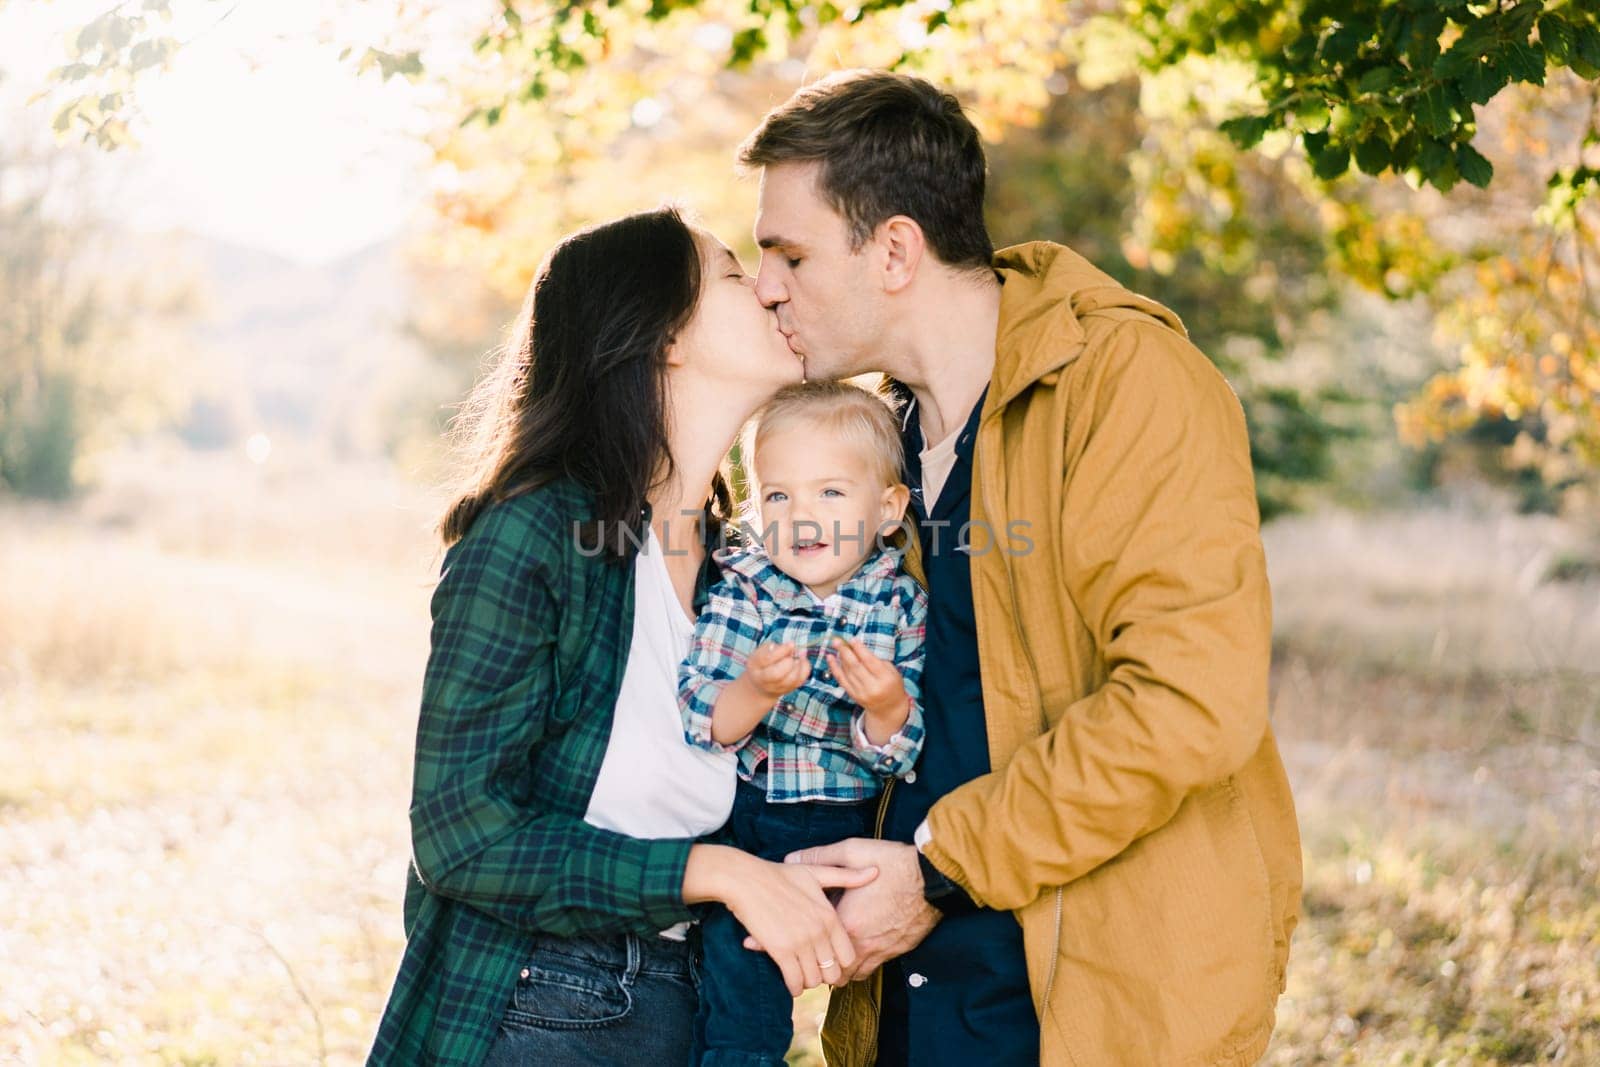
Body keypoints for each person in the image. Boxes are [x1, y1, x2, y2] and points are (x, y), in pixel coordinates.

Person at [736, 70, 1304, 1066]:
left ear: (897, 249)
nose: (766, 284)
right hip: (908, 1009)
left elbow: (1188, 699)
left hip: (1093, 998)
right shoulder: (876, 442)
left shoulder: (1128, 383)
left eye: (789, 252)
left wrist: (939, 863)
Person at [367, 207, 878, 1067]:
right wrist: (715, 871)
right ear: (665, 335)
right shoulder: (537, 535)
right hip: (543, 1002)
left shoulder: (746, 566)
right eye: (730, 273)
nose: (767, 286)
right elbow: (462, 832)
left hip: (704, 1004)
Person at [676, 380, 927, 1065]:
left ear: (887, 509)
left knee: (899, 997)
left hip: (860, 830)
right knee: (744, 996)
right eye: (779, 495)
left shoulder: (901, 603)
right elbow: (703, 715)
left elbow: (906, 750)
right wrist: (754, 689)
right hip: (758, 824)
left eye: (830, 492)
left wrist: (886, 708)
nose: (802, 515)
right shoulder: (745, 590)